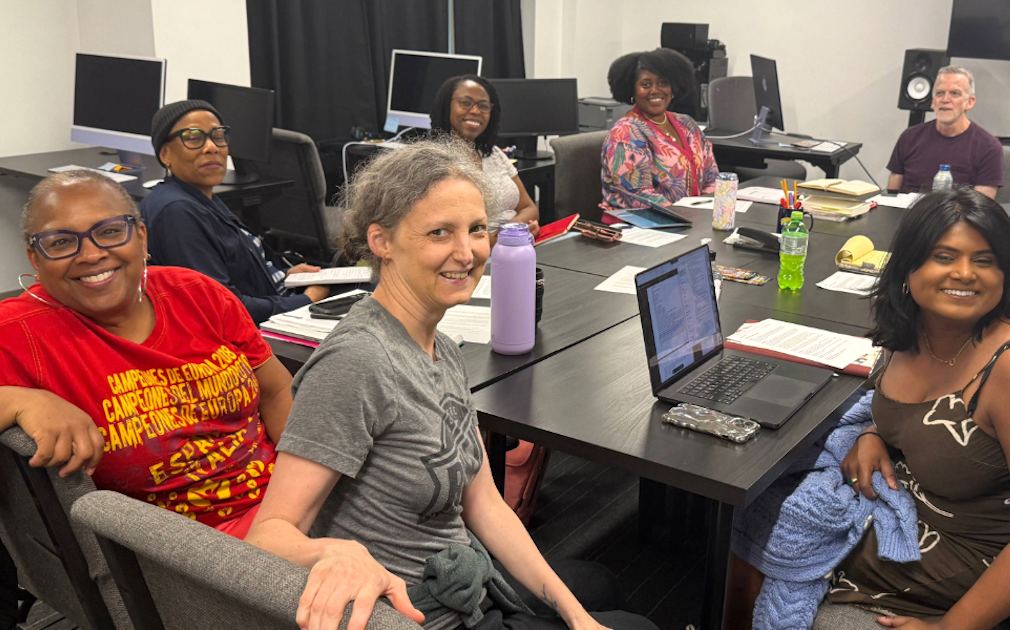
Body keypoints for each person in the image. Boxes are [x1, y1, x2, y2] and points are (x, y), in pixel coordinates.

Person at [246, 140, 655, 630]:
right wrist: (333, 553)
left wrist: (576, 617)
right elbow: (267, 538)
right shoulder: (356, 362)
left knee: (595, 588)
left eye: (477, 229)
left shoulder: (440, 344)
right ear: (381, 241)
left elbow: (484, 503)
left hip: (465, 585)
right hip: (421, 615)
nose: (467, 253)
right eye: (440, 232)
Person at [727, 189, 1010, 628]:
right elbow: (907, 416)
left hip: (966, 556)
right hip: (908, 506)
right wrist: (872, 433)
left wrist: (948, 629)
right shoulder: (914, 331)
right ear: (907, 268)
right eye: (944, 257)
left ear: (1006, 274)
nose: (965, 273)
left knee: (770, 529)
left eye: (985, 260)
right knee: (760, 508)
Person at [0, 170, 293, 539]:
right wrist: (20, 401)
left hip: (287, 500)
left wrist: (297, 499)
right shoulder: (17, 331)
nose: (91, 254)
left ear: (140, 237)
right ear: (35, 258)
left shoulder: (198, 293)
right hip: (189, 549)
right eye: (60, 242)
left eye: (110, 231)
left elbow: (276, 393)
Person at [140, 99, 332, 324]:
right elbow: (222, 309)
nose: (212, 147)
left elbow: (236, 269)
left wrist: (285, 276)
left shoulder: (200, 196)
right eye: (193, 138)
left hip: (276, 298)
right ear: (165, 154)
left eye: (218, 136)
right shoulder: (176, 213)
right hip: (262, 328)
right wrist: (307, 300)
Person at [600, 48, 719, 213]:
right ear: (632, 90)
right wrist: (689, 217)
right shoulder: (625, 133)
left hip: (692, 219)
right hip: (642, 222)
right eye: (645, 84)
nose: (655, 90)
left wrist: (710, 211)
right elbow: (638, 196)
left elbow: (712, 177)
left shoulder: (687, 124)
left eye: (663, 83)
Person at [430, 75, 540, 240]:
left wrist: (513, 231)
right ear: (446, 106)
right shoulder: (435, 161)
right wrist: (504, 237)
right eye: (466, 103)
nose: (476, 111)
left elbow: (529, 208)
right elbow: (448, 231)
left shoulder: (494, 153)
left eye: (483, 106)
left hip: (515, 244)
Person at [887, 66, 1004, 199]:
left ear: (969, 102)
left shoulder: (988, 147)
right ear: (933, 101)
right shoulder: (909, 137)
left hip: (956, 212)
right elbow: (891, 195)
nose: (945, 100)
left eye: (955, 93)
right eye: (940, 93)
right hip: (906, 211)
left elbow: (981, 206)